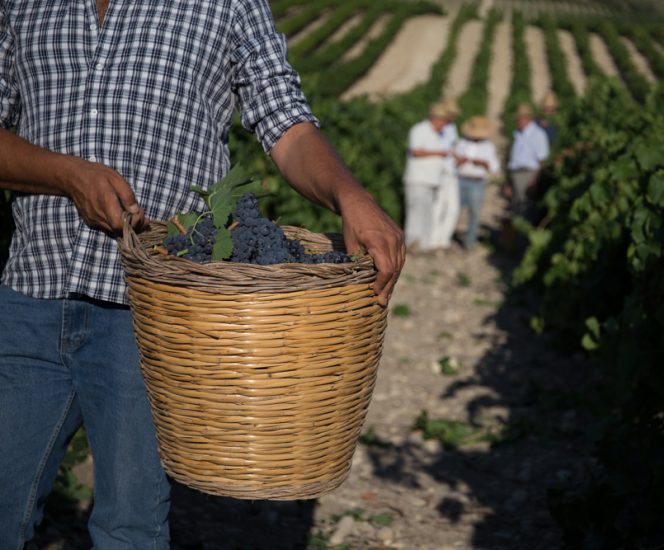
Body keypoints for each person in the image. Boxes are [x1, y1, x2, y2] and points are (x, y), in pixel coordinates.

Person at [0, 1, 404, 548]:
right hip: (29, 295)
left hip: (153, 318)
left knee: (130, 530)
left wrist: (350, 195)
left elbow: (287, 124)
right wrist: (67, 175)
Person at [403, 103, 451, 252]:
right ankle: (411, 241)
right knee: (415, 211)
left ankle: (423, 243)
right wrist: (438, 153)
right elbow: (416, 151)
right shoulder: (419, 130)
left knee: (426, 212)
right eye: (444, 121)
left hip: (431, 180)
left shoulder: (438, 134)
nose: (445, 125)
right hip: (418, 179)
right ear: (436, 119)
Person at [454, 116, 500, 250]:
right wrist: (460, 161)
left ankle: (470, 241)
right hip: (461, 179)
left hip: (477, 182)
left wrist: (484, 163)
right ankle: (448, 236)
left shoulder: (489, 147)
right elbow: (453, 160)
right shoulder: (461, 143)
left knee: (475, 213)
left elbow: (494, 168)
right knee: (453, 210)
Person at [507, 102, 550, 217]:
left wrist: (535, 179)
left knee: (525, 209)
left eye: (519, 119)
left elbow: (542, 160)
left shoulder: (538, 135)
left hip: (528, 174)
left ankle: (523, 234)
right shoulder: (518, 134)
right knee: (516, 208)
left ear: (528, 119)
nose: (517, 121)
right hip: (516, 174)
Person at [430, 98, 461, 249]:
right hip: (441, 172)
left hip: (452, 171)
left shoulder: (452, 128)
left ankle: (444, 239)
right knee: (438, 206)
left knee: (453, 207)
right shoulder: (437, 130)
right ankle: (434, 238)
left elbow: (451, 148)